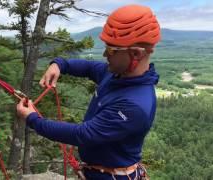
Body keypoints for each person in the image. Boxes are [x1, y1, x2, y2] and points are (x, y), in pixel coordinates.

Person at [17, 4, 161, 180]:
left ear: (136, 54)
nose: (104, 55)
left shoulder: (134, 105)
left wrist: (33, 119)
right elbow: (88, 67)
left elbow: (82, 134)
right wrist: (60, 64)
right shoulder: (116, 73)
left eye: (111, 50)